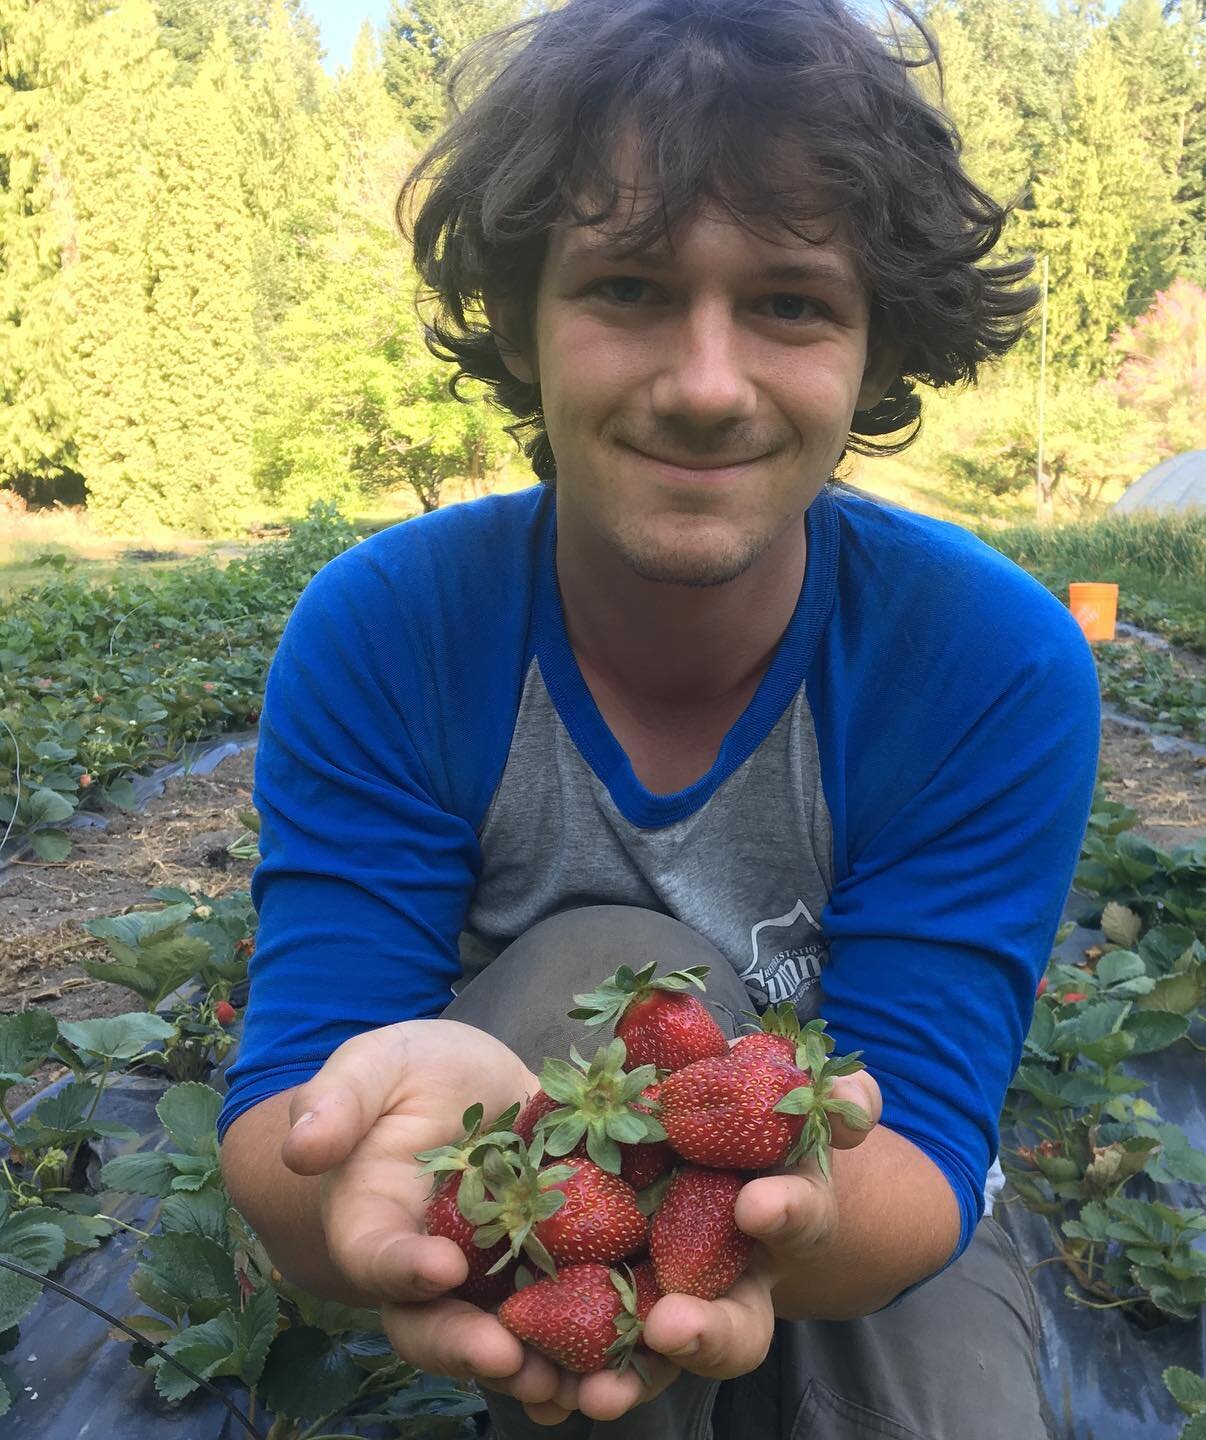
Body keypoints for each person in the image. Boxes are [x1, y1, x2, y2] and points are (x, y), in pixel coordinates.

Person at [217, 1, 1101, 1436]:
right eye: (625, 287)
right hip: (522, 1170)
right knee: (606, 964)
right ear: (519, 319)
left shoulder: (987, 661)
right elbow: (290, 1104)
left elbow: (921, 1146)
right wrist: (347, 1183)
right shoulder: (390, 629)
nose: (705, 384)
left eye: (793, 301)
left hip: (850, 1175)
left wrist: (781, 1210)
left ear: (877, 354)